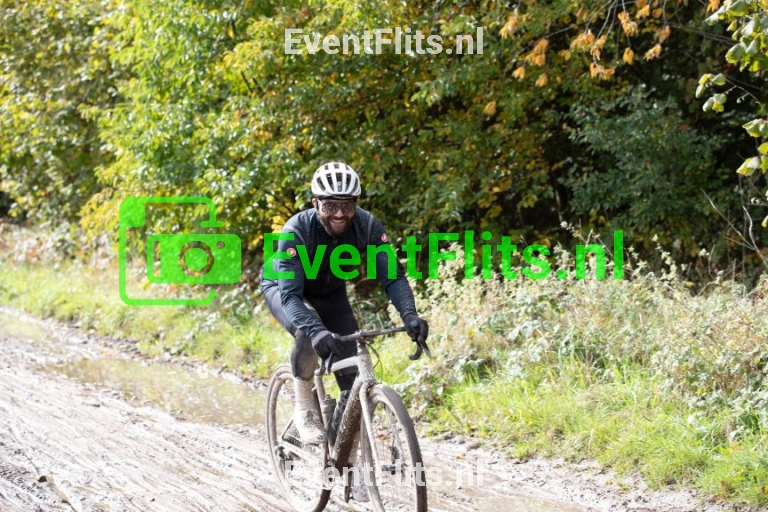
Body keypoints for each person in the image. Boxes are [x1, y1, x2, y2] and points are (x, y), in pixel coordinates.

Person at [260, 161, 429, 445]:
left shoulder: (366, 225)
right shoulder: (296, 230)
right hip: (285, 288)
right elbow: (291, 296)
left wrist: (409, 314)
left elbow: (392, 276)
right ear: (315, 203)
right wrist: (316, 330)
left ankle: (342, 455)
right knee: (307, 331)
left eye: (346, 205)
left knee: (352, 384)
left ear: (355, 204)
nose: (339, 214)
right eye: (330, 205)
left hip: (331, 294)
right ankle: (304, 408)